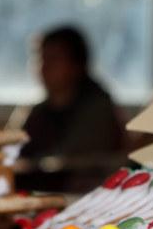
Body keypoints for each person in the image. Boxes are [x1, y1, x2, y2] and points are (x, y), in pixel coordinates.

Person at [21, 26, 124, 161]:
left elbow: (75, 164)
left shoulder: (97, 111)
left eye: (54, 59)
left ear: (77, 65)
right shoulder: (39, 112)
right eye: (42, 59)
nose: (45, 67)